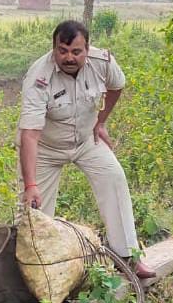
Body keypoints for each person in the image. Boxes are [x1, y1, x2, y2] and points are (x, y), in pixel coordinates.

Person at [18, 20, 156, 279]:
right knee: (34, 214)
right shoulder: (39, 77)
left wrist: (101, 121)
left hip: (85, 140)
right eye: (62, 51)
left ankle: (128, 258)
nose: (69, 58)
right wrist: (30, 185)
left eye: (76, 51)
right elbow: (30, 135)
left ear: (87, 49)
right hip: (46, 148)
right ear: (54, 49)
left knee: (114, 178)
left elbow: (117, 85)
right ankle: (35, 274)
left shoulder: (101, 62)